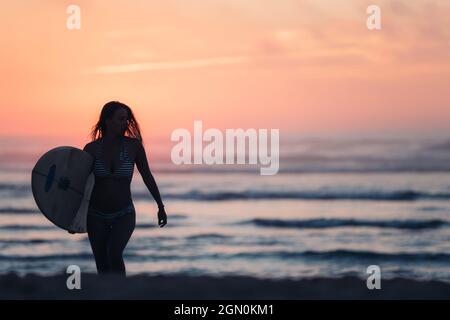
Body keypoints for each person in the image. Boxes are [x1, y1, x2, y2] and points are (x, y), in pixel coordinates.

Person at [83, 101, 167, 276]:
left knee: (113, 253)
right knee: (102, 263)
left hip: (124, 213)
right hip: (96, 215)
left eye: (126, 120)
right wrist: (71, 217)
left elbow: (147, 176)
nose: (125, 123)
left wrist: (160, 206)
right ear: (107, 120)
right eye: (121, 119)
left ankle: (121, 293)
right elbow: (79, 184)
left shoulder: (133, 146)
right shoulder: (91, 149)